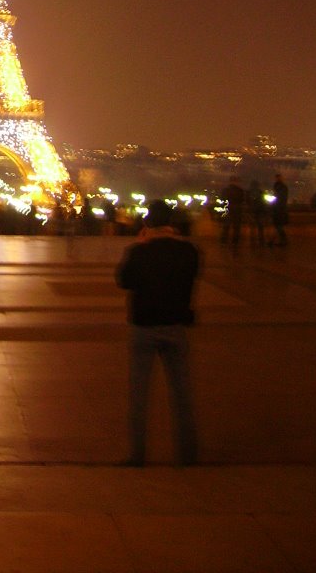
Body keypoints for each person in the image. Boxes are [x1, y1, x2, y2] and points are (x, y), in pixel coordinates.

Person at [116, 199, 200, 467]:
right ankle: (188, 454)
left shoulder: (140, 252)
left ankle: (137, 454)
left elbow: (124, 281)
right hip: (176, 326)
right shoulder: (190, 252)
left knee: (139, 396)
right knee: (182, 395)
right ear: (172, 224)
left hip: (143, 327)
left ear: (148, 224)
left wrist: (141, 245)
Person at [221, 177, 245, 245]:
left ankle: (224, 239)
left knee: (226, 225)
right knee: (236, 226)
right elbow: (242, 200)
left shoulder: (226, 190)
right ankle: (235, 240)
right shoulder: (240, 190)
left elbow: (223, 198)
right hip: (237, 209)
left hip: (229, 208)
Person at [270, 173, 289, 246]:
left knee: (278, 226)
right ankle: (281, 240)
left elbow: (277, 197)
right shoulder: (283, 187)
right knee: (279, 226)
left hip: (278, 209)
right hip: (280, 209)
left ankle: (279, 240)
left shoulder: (278, 187)